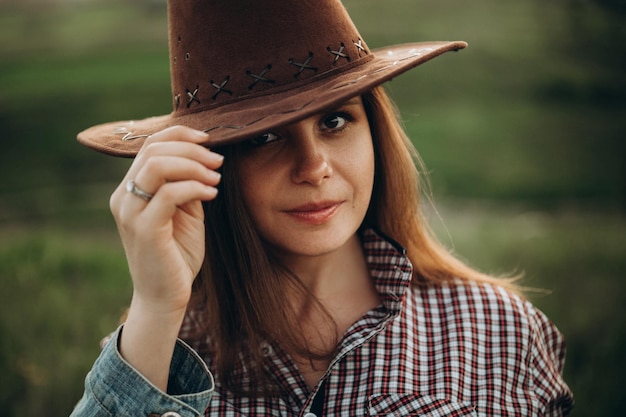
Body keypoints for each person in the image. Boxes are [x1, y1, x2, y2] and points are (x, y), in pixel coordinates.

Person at [71, 0, 574, 416]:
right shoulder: (155, 356)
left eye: (335, 121)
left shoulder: (498, 331)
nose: (314, 166)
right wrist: (157, 306)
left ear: (375, 132)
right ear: (210, 166)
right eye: (264, 137)